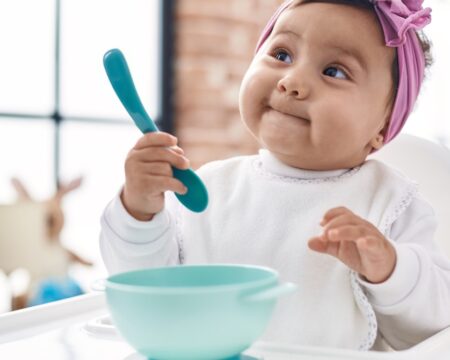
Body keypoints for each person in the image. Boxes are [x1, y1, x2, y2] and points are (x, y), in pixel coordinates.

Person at [100, 0, 450, 351]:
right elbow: (148, 293)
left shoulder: (390, 203)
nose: (292, 81)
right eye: (282, 54)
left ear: (383, 127)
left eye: (334, 71)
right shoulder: (211, 188)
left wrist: (390, 270)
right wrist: (139, 212)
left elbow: (432, 330)